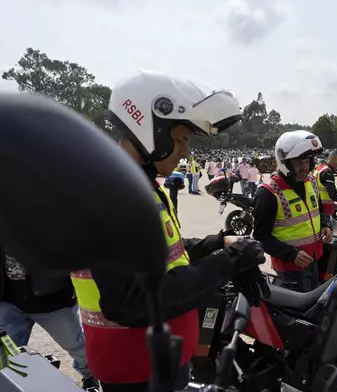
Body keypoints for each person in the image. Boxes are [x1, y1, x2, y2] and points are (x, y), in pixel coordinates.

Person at [71, 71, 269, 391]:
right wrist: (228, 262)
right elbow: (131, 301)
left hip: (162, 357)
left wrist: (220, 242)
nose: (186, 152)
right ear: (151, 131)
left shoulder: (140, 187)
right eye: (180, 140)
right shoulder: (108, 197)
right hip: (135, 368)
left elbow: (164, 255)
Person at [0, 248, 98, 389]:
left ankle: (90, 377)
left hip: (52, 301)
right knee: (5, 352)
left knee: (77, 346)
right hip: (9, 301)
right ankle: (13, 382)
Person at [252, 130, 333, 292]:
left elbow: (319, 209)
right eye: (299, 163)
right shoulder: (268, 193)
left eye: (307, 162)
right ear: (285, 163)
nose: (305, 168)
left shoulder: (310, 181)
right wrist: (291, 254)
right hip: (290, 270)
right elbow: (261, 237)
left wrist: (326, 224)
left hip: (315, 258)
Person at [313, 149, 337, 217]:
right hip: (324, 211)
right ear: (332, 159)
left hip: (318, 208)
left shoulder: (320, 168)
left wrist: (332, 204)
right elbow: (333, 194)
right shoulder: (327, 173)